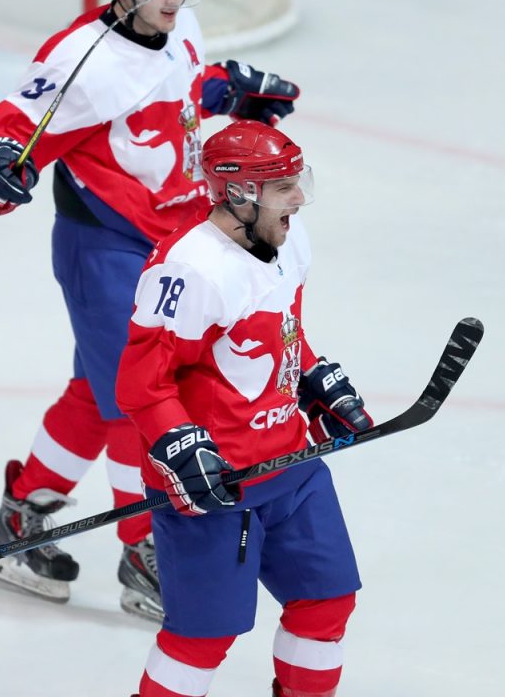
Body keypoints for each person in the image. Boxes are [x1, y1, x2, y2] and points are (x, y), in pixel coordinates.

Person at [0, 0, 300, 621]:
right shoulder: (85, 58)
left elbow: (184, 96)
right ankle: (146, 550)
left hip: (170, 239)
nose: (174, 0)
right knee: (137, 400)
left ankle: (20, 518)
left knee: (98, 389)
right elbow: (7, 128)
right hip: (104, 247)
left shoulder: (184, 24)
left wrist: (232, 95)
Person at [116, 119, 373, 697]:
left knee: (327, 600)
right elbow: (141, 384)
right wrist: (180, 449)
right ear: (240, 193)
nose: (299, 198)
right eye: (284, 186)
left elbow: (280, 330)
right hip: (216, 484)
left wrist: (312, 378)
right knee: (203, 637)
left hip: (291, 465)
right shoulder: (187, 268)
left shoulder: (287, 239)